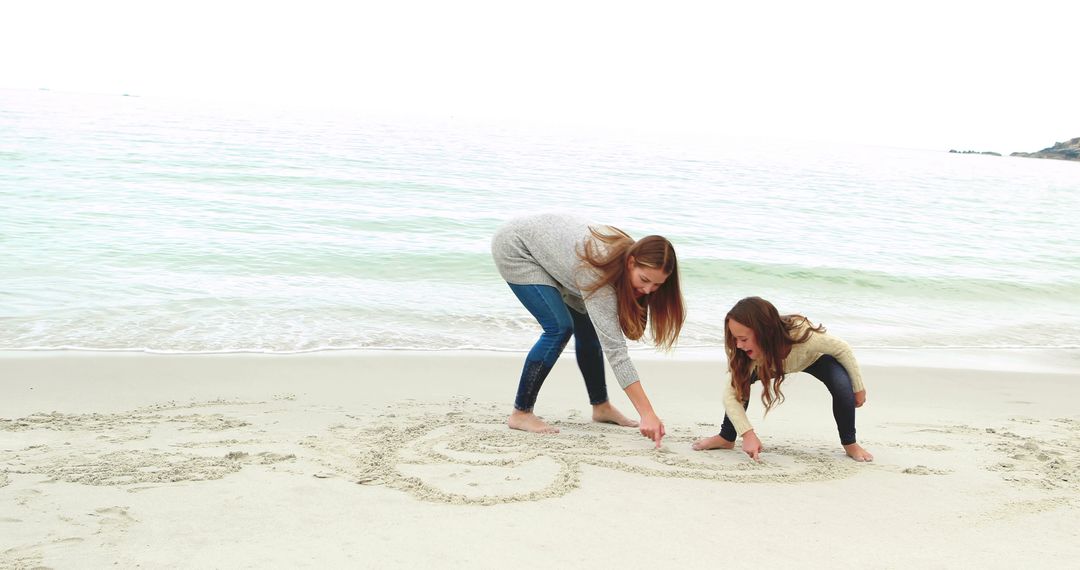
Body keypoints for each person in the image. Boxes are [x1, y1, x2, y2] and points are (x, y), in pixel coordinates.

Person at [491, 212, 685, 447]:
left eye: (657, 285)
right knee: (559, 328)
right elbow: (616, 351)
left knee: (588, 325)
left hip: (556, 254)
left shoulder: (626, 259)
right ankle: (521, 413)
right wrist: (647, 413)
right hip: (517, 247)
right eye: (644, 280)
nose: (648, 290)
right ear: (631, 262)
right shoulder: (598, 269)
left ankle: (601, 407)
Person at [693, 296, 874, 461]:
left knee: (844, 389)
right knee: (739, 384)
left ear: (764, 332)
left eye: (743, 339)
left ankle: (850, 444)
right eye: (735, 339)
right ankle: (726, 437)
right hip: (766, 363)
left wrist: (859, 388)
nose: (738, 345)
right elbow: (729, 396)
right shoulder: (746, 355)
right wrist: (748, 434)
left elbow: (842, 348)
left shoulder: (803, 335)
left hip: (813, 360)